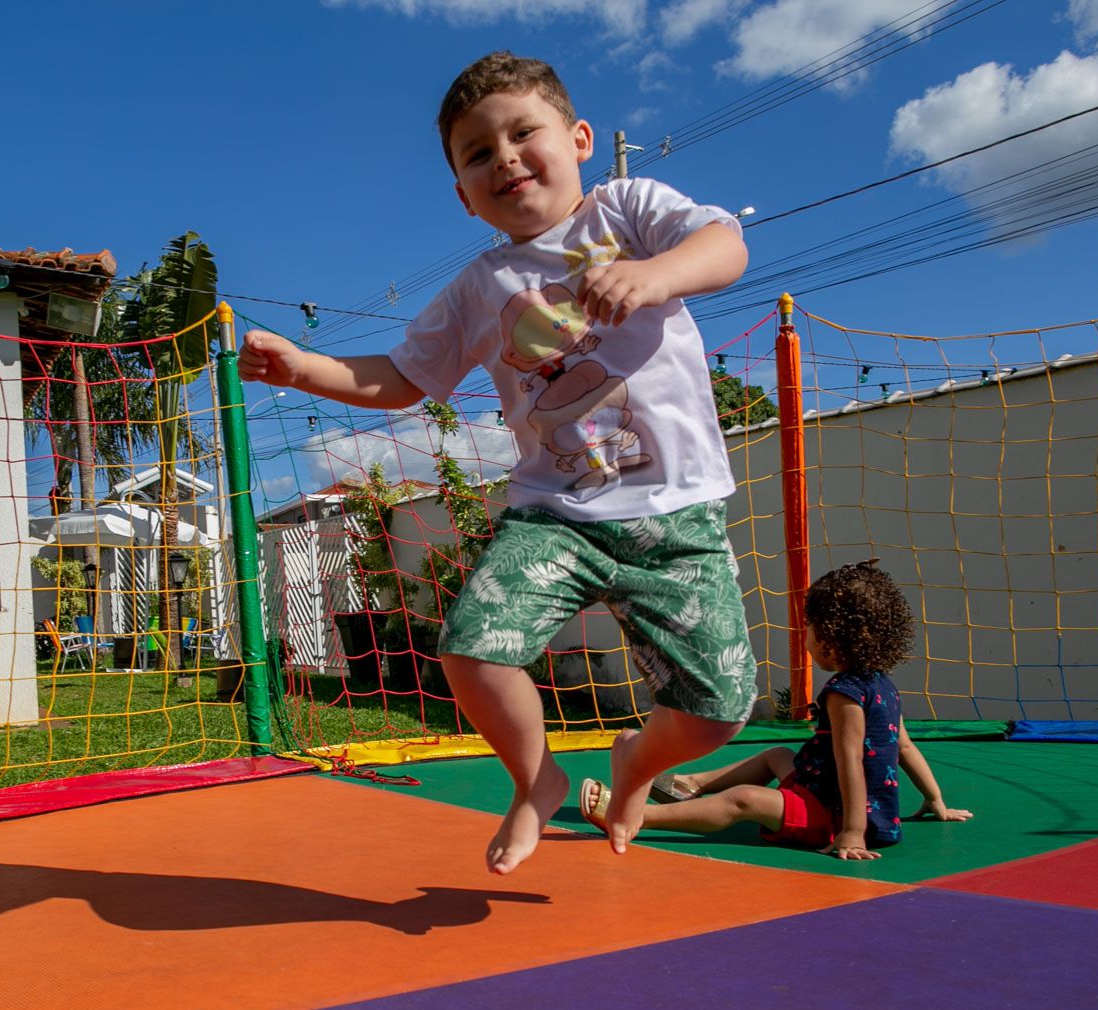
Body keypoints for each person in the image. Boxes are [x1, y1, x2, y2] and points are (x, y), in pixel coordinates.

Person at [238, 51, 756, 874]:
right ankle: (536, 780)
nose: (505, 158)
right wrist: (306, 368)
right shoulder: (480, 288)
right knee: (470, 650)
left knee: (718, 712)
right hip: (557, 513)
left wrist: (657, 275)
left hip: (677, 512)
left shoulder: (627, 210)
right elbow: (404, 379)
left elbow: (724, 246)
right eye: (479, 153)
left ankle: (636, 770)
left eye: (523, 134)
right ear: (462, 193)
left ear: (579, 138)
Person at [579, 561, 973, 859]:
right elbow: (904, 748)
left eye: (810, 627)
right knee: (777, 755)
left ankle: (637, 817)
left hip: (830, 816)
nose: (806, 636)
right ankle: (689, 785)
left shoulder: (844, 694)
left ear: (831, 640)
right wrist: (935, 800)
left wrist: (852, 831)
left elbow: (851, 759)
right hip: (822, 789)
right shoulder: (882, 685)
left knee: (745, 800)